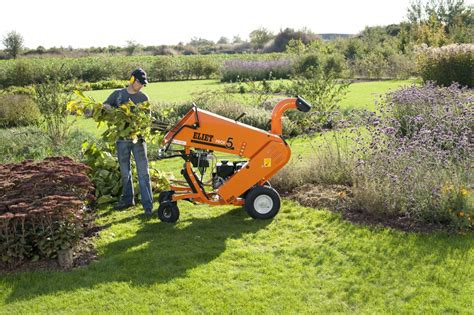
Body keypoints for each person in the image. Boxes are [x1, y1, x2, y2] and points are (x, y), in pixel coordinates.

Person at [103, 68, 153, 216]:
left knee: (143, 173)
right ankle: (127, 200)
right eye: (139, 82)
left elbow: (148, 120)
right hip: (122, 140)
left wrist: (138, 126)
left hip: (138, 140)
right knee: (125, 173)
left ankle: (148, 206)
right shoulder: (118, 95)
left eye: (143, 83)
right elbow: (105, 105)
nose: (141, 86)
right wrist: (108, 108)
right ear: (132, 79)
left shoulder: (144, 98)